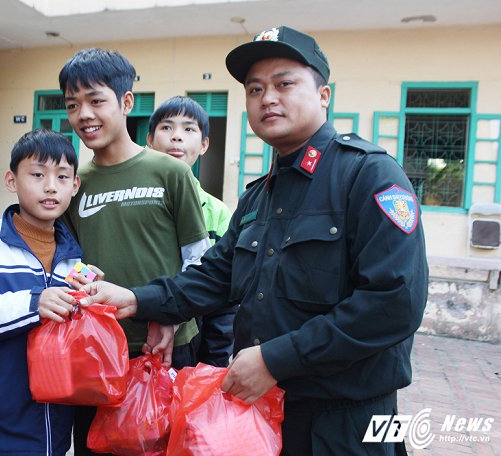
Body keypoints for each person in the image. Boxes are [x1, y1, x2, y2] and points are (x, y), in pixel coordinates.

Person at [81, 26, 428, 456]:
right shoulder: (258, 196)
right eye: (254, 89)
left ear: (323, 95)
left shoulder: (368, 175)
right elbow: (215, 274)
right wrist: (137, 299)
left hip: (349, 420)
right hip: (263, 414)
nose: (267, 98)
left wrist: (276, 359)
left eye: (284, 84)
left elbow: (394, 302)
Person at [59, 48, 210, 455]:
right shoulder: (73, 182)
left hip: (166, 346)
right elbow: (72, 263)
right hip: (97, 349)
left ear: (126, 102)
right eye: (73, 105)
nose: (84, 114)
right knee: (95, 446)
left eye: (95, 100)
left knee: (167, 446)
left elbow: (200, 259)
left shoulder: (170, 171)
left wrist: (172, 316)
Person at [0, 129, 99, 455]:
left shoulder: (74, 259)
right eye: (37, 174)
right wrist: (32, 303)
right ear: (11, 180)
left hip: (53, 428)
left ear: (75, 186)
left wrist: (88, 298)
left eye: (62, 176)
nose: (51, 186)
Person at [147, 95, 235, 367]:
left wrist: (212, 365)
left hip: (190, 346)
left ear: (204, 144)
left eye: (188, 129)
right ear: (150, 140)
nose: (177, 137)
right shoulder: (133, 199)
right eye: (166, 128)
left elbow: (223, 297)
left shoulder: (218, 212)